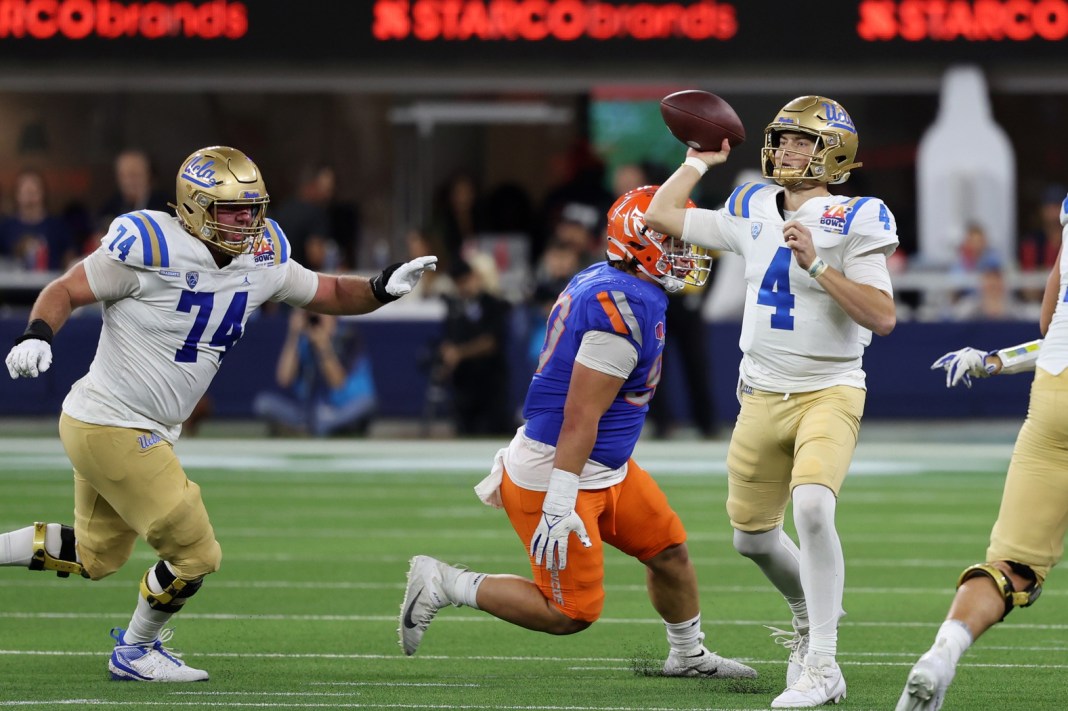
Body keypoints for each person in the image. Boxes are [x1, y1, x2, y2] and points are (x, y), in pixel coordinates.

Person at [0, 146, 436, 682]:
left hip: (129, 425)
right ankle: (136, 649)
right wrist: (38, 333)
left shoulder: (263, 255)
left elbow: (326, 290)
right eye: (231, 210)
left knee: (96, 557)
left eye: (253, 208)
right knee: (195, 551)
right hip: (112, 421)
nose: (246, 222)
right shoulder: (150, 244)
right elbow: (65, 289)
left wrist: (379, 288)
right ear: (191, 206)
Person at [399, 187, 756, 682]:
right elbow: (580, 415)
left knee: (669, 552)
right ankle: (447, 583)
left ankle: (689, 656)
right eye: (674, 239)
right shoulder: (623, 303)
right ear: (640, 241)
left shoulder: (617, 281)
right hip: (559, 468)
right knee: (569, 613)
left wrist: (697, 161)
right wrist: (561, 498)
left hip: (603, 466)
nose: (687, 251)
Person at [644, 95, 899, 708]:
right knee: (752, 540)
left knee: (812, 508)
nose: (786, 150)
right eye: (782, 139)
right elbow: (664, 213)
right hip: (759, 392)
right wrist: (698, 160)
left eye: (802, 141)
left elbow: (883, 317)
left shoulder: (856, 216)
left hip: (830, 389)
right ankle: (807, 616)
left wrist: (816, 266)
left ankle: (822, 664)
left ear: (833, 152)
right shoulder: (753, 204)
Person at [897, 203, 1068, 711]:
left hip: (1053, 397)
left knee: (1012, 566)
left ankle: (942, 653)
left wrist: (995, 361)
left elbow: (1052, 322)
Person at [252, 309, 377, 436]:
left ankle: (318, 428)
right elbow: (284, 379)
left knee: (366, 403)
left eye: (320, 314)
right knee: (263, 403)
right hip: (308, 412)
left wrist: (323, 347)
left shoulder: (347, 336)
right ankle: (318, 428)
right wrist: (293, 335)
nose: (316, 319)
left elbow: (337, 383)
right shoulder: (304, 341)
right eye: (312, 316)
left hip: (344, 407)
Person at [436, 258, 513, 436]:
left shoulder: (494, 304)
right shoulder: (454, 307)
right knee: (464, 433)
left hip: (490, 384)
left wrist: (459, 353)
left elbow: (491, 343)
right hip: (463, 384)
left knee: (492, 434)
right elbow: (448, 338)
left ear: (475, 277)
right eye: (458, 283)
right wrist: (447, 355)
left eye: (465, 280)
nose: (462, 287)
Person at [0, 169, 76, 272]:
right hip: (13, 286)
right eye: (25, 190)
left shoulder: (57, 226)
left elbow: (70, 259)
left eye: (34, 190)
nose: (30, 194)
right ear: (16, 194)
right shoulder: (5, 227)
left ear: (43, 193)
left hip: (51, 285)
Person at [98, 149, 171, 225]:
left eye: (134, 175)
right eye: (123, 175)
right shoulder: (110, 207)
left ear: (148, 175)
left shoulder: (164, 206)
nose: (128, 181)